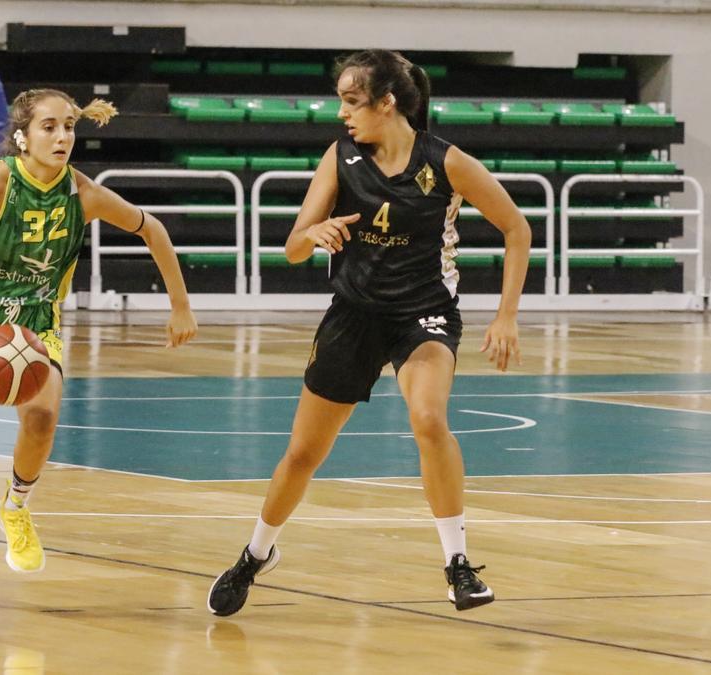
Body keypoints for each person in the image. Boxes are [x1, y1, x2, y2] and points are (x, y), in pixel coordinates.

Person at [207, 50, 530, 616]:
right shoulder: (341, 156)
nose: (341, 113)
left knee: (429, 419)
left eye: (351, 101)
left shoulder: (447, 163)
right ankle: (255, 555)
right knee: (304, 453)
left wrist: (506, 315)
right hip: (353, 314)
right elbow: (291, 246)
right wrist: (318, 230)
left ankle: (458, 565)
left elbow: (516, 227)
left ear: (387, 103)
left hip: (422, 313)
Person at [0, 88, 198, 609]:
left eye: (69, 126)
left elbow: (152, 229)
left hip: (33, 327)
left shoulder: (83, 193)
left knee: (43, 419)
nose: (63, 136)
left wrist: (180, 306)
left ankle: (16, 505)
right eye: (49, 126)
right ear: (22, 137)